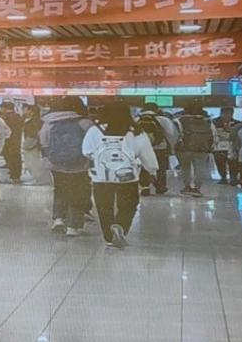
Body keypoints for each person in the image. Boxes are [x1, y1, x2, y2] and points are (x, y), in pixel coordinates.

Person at [82, 101, 160, 249]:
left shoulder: (95, 130)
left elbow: (86, 151)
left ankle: (109, 238)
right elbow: (146, 153)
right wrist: (152, 169)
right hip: (127, 176)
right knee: (129, 204)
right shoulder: (135, 131)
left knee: (104, 206)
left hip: (102, 176)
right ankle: (120, 226)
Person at [40, 96, 93, 237]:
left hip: (56, 164)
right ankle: (73, 226)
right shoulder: (85, 123)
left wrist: (48, 159)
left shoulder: (49, 122)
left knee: (60, 190)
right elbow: (92, 144)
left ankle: (58, 219)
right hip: (79, 165)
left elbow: (44, 143)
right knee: (78, 193)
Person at [175, 99, 219, 198]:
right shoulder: (207, 121)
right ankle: (197, 188)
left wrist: (175, 147)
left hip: (185, 149)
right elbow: (214, 134)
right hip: (202, 148)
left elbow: (176, 134)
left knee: (185, 167)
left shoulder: (180, 120)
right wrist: (212, 147)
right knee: (200, 168)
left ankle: (187, 187)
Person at [137, 102, 180, 196]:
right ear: (156, 109)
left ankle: (145, 186)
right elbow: (171, 134)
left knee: (144, 167)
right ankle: (160, 186)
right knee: (161, 167)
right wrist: (172, 147)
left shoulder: (137, 119)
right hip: (160, 147)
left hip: (143, 148)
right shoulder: (164, 120)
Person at [0, 101, 25, 183]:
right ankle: (17, 176)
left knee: (10, 158)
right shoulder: (18, 116)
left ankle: (14, 176)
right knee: (16, 158)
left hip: (7, 141)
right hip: (16, 140)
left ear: (4, 108)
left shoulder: (5, 118)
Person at [213, 107, 239, 185]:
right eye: (225, 114)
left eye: (229, 114)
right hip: (218, 147)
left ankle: (233, 178)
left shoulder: (237, 123)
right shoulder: (214, 122)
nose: (227, 116)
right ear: (221, 114)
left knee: (233, 163)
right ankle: (223, 178)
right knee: (220, 162)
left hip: (232, 147)